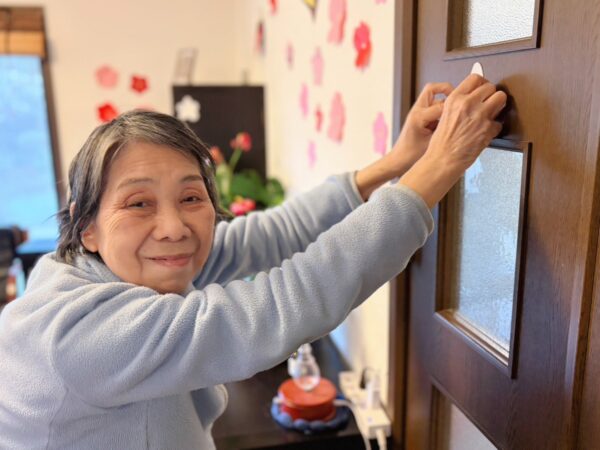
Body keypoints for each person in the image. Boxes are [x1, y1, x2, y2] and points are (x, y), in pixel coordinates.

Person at [0, 74, 505, 449]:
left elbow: (268, 235)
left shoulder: (126, 266)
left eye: (191, 197)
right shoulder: (76, 333)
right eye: (138, 203)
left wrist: (397, 162)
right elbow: (277, 305)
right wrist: (440, 165)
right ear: (85, 224)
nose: (173, 227)